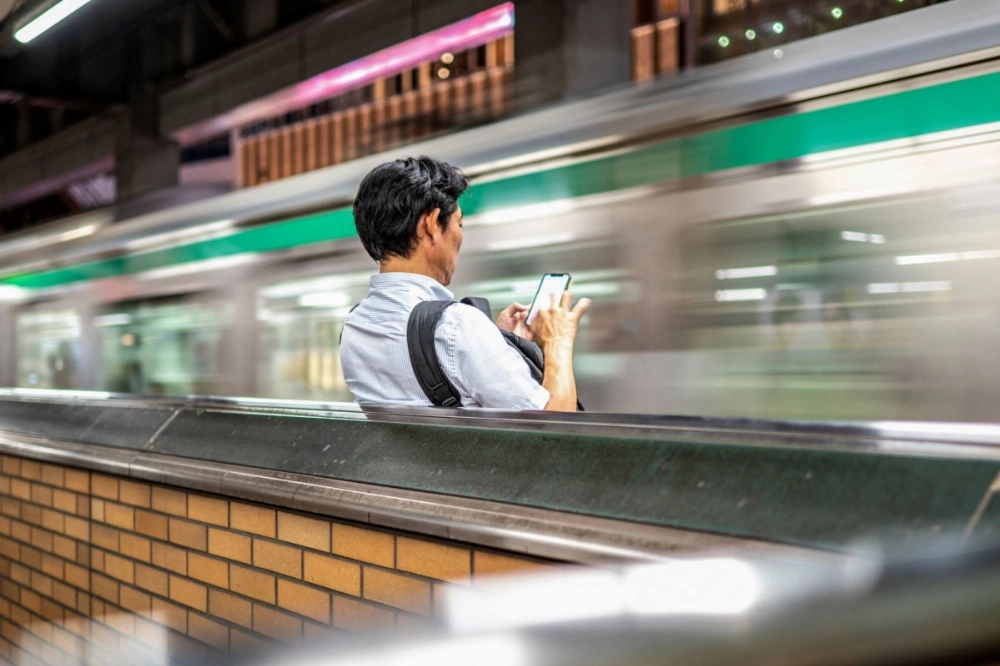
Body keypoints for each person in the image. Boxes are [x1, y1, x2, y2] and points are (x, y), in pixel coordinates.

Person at [340, 156, 590, 411]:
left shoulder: (354, 325)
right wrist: (557, 340)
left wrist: (494, 343)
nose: (460, 236)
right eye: (459, 223)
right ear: (431, 225)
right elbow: (554, 425)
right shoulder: (457, 326)